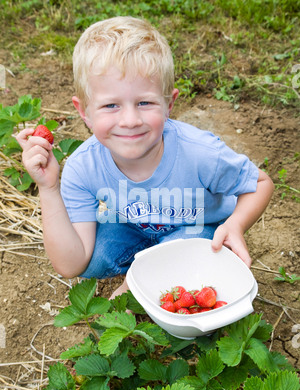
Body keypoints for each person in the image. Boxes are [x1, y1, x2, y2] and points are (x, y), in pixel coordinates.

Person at [16, 16, 274, 299]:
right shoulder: (82, 166)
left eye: (145, 103)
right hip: (133, 228)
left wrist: (235, 225)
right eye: (111, 105)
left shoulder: (201, 153)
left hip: (195, 228)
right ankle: (153, 269)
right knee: (94, 258)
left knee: (201, 244)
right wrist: (48, 187)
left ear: (169, 104)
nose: (129, 120)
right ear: (84, 111)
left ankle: (142, 286)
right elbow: (70, 264)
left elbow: (261, 183)